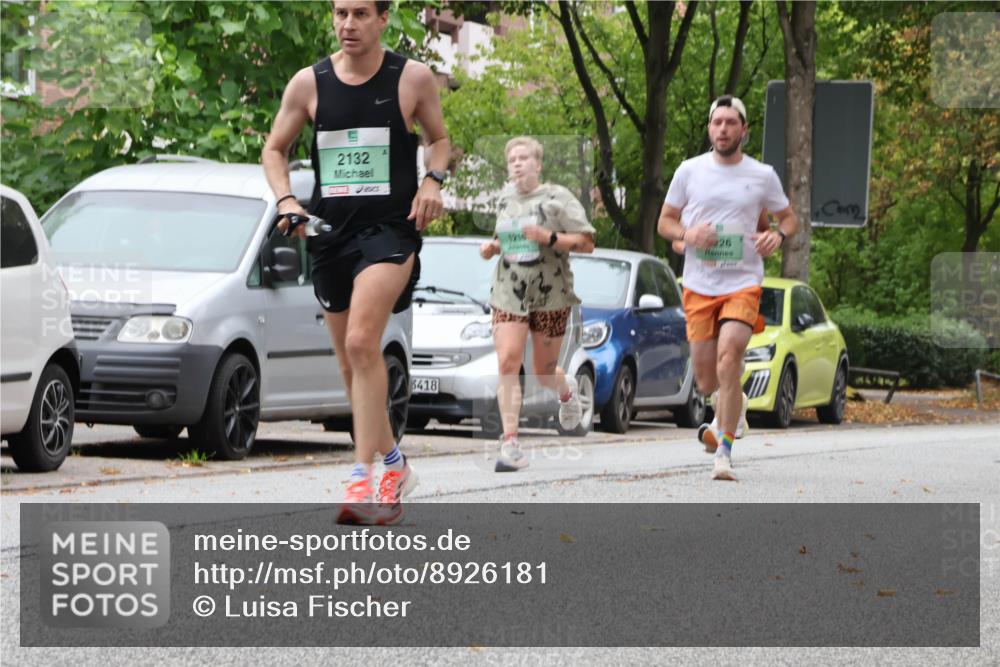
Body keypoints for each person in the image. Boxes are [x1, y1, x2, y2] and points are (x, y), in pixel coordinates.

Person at [262, 0, 450, 524]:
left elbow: (440, 141)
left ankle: (364, 477)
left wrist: (433, 181)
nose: (348, 24)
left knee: (363, 342)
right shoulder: (309, 83)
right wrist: (286, 201)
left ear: (383, 18)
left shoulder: (411, 78)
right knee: (352, 365)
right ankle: (395, 463)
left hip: (390, 232)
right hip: (329, 233)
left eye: (361, 13)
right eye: (340, 13)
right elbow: (274, 149)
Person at [657, 95, 798, 481]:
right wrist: (687, 234)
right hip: (700, 285)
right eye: (717, 122)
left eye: (731, 123)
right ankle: (734, 405)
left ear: (744, 129)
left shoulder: (763, 175)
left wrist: (779, 237)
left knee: (729, 355)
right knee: (706, 380)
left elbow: (788, 218)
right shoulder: (689, 171)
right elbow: (665, 222)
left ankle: (724, 449)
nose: (723, 129)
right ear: (709, 128)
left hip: (743, 282)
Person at [479, 136, 596, 472]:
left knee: (544, 372)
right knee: (508, 362)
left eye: (523, 157)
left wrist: (550, 239)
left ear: (538, 164)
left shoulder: (558, 198)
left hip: (551, 293)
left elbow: (587, 243)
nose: (516, 163)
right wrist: (493, 248)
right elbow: (507, 239)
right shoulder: (504, 199)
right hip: (509, 291)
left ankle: (565, 389)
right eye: (511, 159)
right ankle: (511, 443)